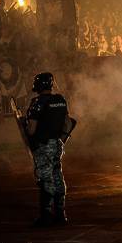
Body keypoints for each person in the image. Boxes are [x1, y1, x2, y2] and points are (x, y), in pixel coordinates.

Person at [26, 72, 71, 227]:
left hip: (43, 146)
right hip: (58, 144)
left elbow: (31, 130)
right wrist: (61, 139)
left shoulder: (37, 102)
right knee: (58, 176)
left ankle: (45, 216)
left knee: (45, 179)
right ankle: (61, 214)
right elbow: (67, 124)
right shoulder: (61, 100)